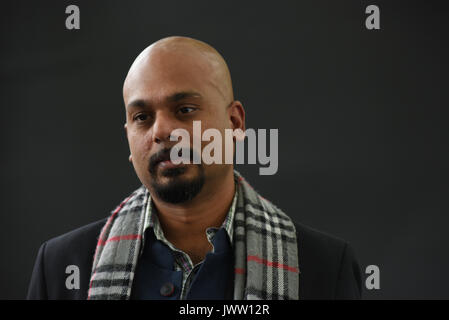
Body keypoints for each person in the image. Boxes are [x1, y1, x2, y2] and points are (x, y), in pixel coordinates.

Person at [27, 36, 362, 300]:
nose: (160, 131)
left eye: (185, 109)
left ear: (234, 123)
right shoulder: (62, 268)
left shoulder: (324, 268)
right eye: (142, 117)